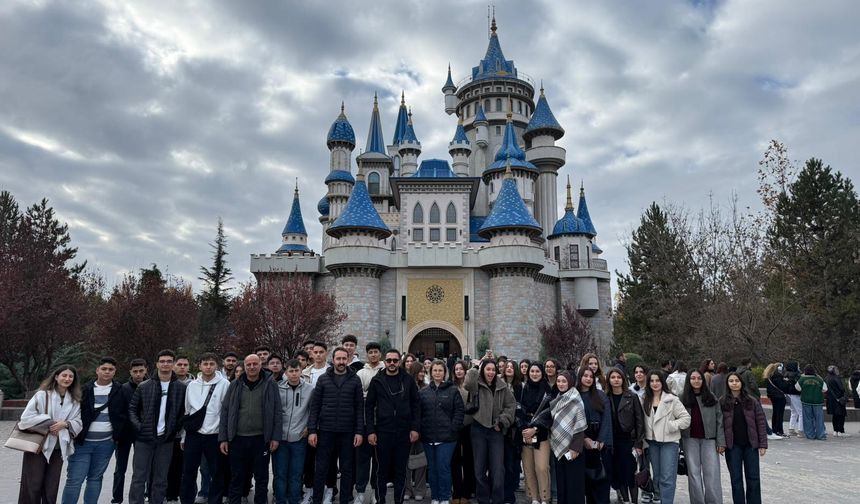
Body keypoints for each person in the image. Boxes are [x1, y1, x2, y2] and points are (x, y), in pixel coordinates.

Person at [62, 357, 127, 504]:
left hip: (106, 444)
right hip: (82, 443)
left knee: (95, 478)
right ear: (97, 370)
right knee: (75, 479)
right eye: (104, 369)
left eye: (111, 369)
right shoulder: (84, 389)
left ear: (115, 372)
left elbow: (124, 414)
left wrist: (116, 436)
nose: (107, 372)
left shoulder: (120, 390)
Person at [219, 353, 282, 504]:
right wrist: (223, 438)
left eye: (255, 364)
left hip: (261, 439)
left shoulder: (270, 383)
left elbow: (277, 411)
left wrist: (275, 437)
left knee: (261, 477)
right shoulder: (235, 384)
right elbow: (225, 411)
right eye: (249, 365)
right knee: (237, 477)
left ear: (261, 365)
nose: (252, 367)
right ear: (244, 366)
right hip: (238, 439)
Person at [129, 349, 187, 504]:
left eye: (169, 361)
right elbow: (132, 409)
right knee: (139, 477)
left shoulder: (181, 388)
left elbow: (183, 413)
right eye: (162, 361)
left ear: (173, 364)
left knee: (161, 478)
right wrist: (140, 428)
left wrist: (174, 429)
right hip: (144, 439)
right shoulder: (144, 386)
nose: (165, 364)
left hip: (166, 439)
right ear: (157, 364)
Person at [18, 365, 82, 504]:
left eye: (71, 376)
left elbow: (78, 421)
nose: (67, 378)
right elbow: (26, 418)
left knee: (51, 486)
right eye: (64, 375)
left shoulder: (74, 400)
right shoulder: (42, 395)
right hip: (38, 446)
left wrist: (65, 424)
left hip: (58, 448)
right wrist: (50, 422)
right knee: (32, 484)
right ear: (56, 376)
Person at [308, 347, 364, 504]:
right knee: (321, 469)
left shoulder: (355, 379)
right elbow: (315, 407)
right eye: (338, 359)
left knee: (347, 469)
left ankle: (345, 500)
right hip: (325, 431)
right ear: (333, 360)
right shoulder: (323, 379)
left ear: (348, 360)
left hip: (347, 432)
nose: (341, 362)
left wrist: (359, 432)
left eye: (343, 359)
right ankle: (317, 499)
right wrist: (312, 430)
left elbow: (360, 408)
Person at [530, 371, 587, 504]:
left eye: (564, 381)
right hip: (559, 446)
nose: (561, 384)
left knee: (574, 484)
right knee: (562, 482)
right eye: (559, 381)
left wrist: (575, 449)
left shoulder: (575, 399)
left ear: (570, 383)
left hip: (573, 449)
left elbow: (580, 426)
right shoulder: (558, 398)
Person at [465, 358, 517, 504]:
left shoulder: (502, 386)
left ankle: (497, 499)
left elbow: (511, 405)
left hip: (496, 431)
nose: (491, 372)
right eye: (488, 369)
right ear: (483, 370)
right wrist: (475, 366)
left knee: (498, 470)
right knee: (479, 469)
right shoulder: (477, 384)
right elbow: (467, 383)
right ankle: (483, 499)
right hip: (478, 429)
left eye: (493, 370)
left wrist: (502, 421)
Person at [180, 352, 230, 504]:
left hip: (214, 436)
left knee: (217, 472)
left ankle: (215, 500)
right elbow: (187, 411)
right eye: (205, 364)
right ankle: (187, 500)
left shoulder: (225, 384)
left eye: (211, 364)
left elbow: (226, 412)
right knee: (188, 471)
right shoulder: (192, 385)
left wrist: (224, 437)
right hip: (194, 435)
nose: (208, 367)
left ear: (216, 366)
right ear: (199, 365)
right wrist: (184, 436)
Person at [419, 360, 465, 504]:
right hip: (428, 436)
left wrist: (453, 428)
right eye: (435, 370)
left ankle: (445, 497)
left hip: (447, 438)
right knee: (432, 469)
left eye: (440, 370)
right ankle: (435, 496)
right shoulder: (423, 392)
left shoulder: (452, 390)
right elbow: (419, 413)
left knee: (443, 468)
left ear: (445, 373)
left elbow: (459, 411)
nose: (437, 373)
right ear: (430, 372)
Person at [642, 370, 691, 504]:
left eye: (657, 380)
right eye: (652, 381)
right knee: (657, 476)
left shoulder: (672, 399)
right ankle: (660, 498)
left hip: (669, 442)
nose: (655, 383)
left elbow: (686, 418)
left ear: (662, 382)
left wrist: (670, 426)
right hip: (652, 442)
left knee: (667, 477)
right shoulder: (645, 399)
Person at [721, 372, 767, 504]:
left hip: (750, 445)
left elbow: (761, 422)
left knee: (753, 478)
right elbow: (719, 425)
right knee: (736, 480)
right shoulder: (722, 401)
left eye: (737, 380)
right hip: (732, 446)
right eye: (731, 381)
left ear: (741, 383)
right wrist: (721, 443)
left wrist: (762, 444)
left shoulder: (752, 401)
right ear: (727, 384)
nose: (734, 383)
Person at [680, 370, 724, 504]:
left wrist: (721, 441)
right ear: (689, 380)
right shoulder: (682, 397)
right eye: (693, 378)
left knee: (712, 473)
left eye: (699, 378)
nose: (696, 381)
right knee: (693, 473)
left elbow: (719, 420)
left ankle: (714, 501)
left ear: (703, 380)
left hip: (709, 440)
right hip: (689, 439)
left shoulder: (711, 397)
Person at [274, 359, 314, 504]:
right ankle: (280, 500)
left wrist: (309, 428)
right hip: (281, 439)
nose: (294, 374)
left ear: (301, 371)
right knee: (280, 474)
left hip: (299, 438)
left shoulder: (309, 389)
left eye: (296, 370)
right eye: (290, 371)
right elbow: (274, 412)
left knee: (296, 474)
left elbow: (313, 411)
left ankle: (294, 500)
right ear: (286, 372)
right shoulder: (278, 388)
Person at [605, 368, 644, 504]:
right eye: (613, 377)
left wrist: (638, 443)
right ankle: (625, 501)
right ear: (609, 380)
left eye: (619, 377)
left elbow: (639, 420)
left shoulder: (631, 396)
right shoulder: (605, 398)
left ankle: (634, 501)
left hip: (629, 440)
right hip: (612, 442)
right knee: (618, 473)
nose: (616, 380)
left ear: (623, 379)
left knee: (630, 473)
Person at [112, 358, 148, 504]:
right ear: (130, 372)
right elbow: (118, 412)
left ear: (146, 370)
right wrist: (118, 434)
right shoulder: (124, 388)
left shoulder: (152, 386)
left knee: (142, 469)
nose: (138, 374)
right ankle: (117, 498)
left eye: (141, 371)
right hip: (124, 434)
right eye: (135, 372)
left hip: (143, 434)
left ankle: (144, 494)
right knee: (120, 469)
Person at [575, 367, 611, 504]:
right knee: (585, 481)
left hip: (599, 440)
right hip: (580, 439)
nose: (588, 379)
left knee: (599, 479)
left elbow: (607, 418)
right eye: (585, 376)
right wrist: (584, 438)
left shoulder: (600, 395)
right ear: (580, 377)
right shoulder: (574, 395)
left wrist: (601, 440)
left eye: (591, 376)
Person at [517, 363, 552, 504]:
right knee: (528, 468)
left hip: (541, 434)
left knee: (542, 467)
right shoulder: (525, 388)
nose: (535, 374)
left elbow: (549, 414)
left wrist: (535, 429)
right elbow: (520, 409)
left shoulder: (547, 390)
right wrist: (525, 430)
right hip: (526, 433)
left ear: (542, 373)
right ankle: (534, 498)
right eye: (532, 371)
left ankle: (544, 498)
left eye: (537, 371)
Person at [354, 342, 384, 504]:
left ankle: (375, 491)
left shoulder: (385, 370)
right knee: (362, 460)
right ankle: (360, 491)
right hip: (365, 422)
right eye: (370, 352)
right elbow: (359, 395)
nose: (373, 354)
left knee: (378, 460)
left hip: (381, 423)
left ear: (380, 354)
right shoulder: (360, 372)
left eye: (376, 352)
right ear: (367, 354)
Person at [451, 361, 476, 504]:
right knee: (454, 461)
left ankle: (467, 491)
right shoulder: (451, 386)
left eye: (461, 369)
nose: (459, 371)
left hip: (469, 427)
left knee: (468, 461)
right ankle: (456, 492)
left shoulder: (471, 386)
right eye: (456, 369)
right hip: (455, 428)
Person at [404, 362, 429, 501]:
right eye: (420, 371)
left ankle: (420, 488)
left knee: (421, 460)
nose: (422, 374)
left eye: (424, 371)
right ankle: (407, 489)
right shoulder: (405, 386)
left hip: (421, 428)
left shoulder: (425, 387)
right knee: (405, 459)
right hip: (406, 428)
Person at [501, 360, 523, 504]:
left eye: (511, 367)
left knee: (510, 463)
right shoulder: (498, 384)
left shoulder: (520, 387)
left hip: (513, 430)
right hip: (499, 427)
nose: (509, 369)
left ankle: (509, 494)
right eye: (506, 367)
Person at [795, 365, 827, 440]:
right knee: (819, 419)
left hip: (806, 401)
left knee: (807, 419)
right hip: (818, 401)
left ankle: (810, 435)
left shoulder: (802, 379)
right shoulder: (819, 379)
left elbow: (797, 388)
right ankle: (821, 435)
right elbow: (825, 389)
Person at [763, 363, 789, 437]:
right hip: (779, 396)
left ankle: (774, 429)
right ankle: (779, 430)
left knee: (775, 413)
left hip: (773, 396)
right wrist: (787, 382)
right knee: (779, 414)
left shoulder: (769, 376)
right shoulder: (778, 376)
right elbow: (783, 387)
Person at [824, 366, 848, 437]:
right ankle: (841, 431)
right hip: (839, 399)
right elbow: (842, 388)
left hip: (830, 399)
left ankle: (835, 430)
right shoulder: (837, 378)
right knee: (841, 415)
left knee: (834, 415)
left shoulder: (826, 378)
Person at [782, 361, 803, 437]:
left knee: (794, 412)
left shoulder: (785, 374)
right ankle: (801, 430)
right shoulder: (796, 375)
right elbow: (799, 384)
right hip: (795, 394)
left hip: (788, 394)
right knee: (801, 412)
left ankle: (791, 429)